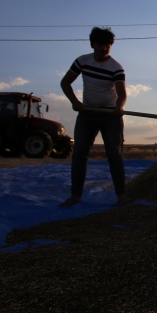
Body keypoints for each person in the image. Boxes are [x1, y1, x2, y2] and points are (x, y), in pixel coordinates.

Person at [59, 27, 131, 207]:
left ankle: (121, 196)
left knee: (114, 154)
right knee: (79, 154)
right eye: (100, 44)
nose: (104, 48)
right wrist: (75, 102)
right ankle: (76, 196)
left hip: (110, 115)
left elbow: (122, 94)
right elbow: (65, 82)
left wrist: (118, 107)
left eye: (108, 44)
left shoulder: (116, 67)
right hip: (87, 113)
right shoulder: (82, 62)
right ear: (92, 45)